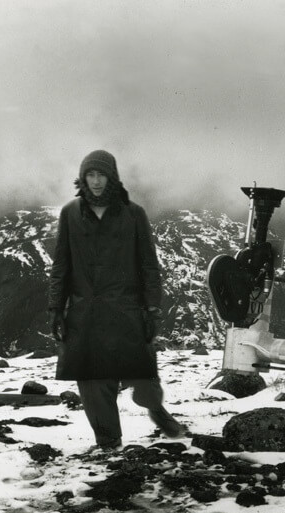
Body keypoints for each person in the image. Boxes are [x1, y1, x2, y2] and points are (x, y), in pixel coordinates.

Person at [48, 149, 185, 449]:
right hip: (86, 311)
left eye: (102, 174)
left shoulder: (133, 214)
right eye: (90, 175)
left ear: (112, 177)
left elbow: (149, 265)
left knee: (141, 374)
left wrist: (152, 308)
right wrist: (56, 309)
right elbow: (62, 265)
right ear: (83, 178)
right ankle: (109, 443)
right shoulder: (70, 213)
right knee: (92, 381)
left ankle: (156, 410)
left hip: (126, 309)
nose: (96, 182)